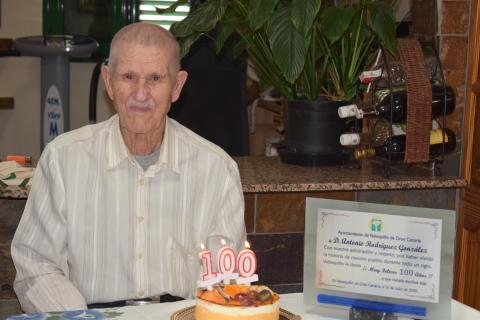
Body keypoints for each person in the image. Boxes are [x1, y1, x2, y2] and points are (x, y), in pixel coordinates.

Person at [11, 22, 246, 313]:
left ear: (177, 86)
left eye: (155, 78)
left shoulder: (216, 169)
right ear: (109, 81)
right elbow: (37, 266)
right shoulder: (63, 159)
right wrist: (82, 319)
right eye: (128, 77)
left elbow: (225, 279)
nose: (141, 93)